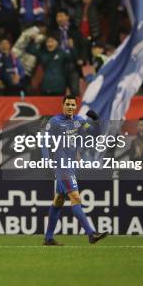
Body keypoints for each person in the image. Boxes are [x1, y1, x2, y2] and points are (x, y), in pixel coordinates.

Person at [43, 95, 108, 246]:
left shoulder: (79, 121)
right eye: (68, 104)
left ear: (75, 106)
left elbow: (94, 134)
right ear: (62, 105)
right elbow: (44, 142)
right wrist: (46, 159)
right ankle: (91, 234)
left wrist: (96, 122)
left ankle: (48, 238)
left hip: (71, 166)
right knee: (76, 198)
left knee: (58, 201)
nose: (70, 107)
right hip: (62, 167)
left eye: (73, 104)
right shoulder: (54, 122)